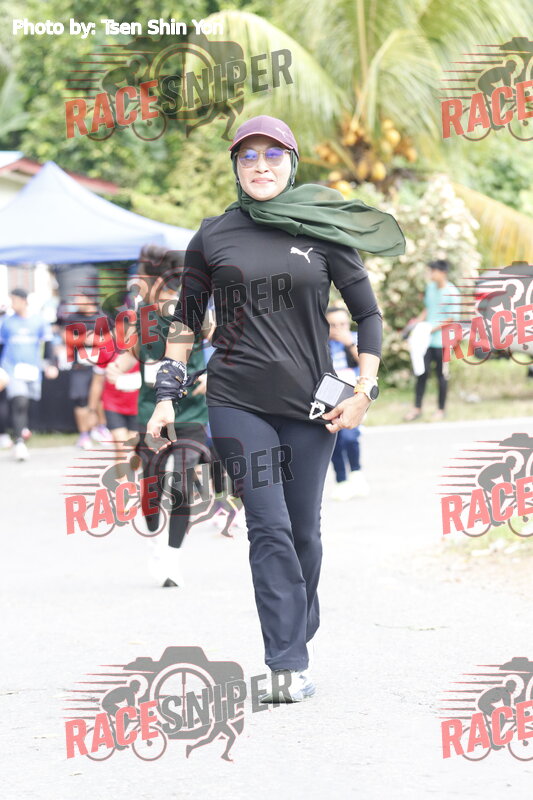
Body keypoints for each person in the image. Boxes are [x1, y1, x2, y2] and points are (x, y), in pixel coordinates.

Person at [147, 115, 404, 702]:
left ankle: (296, 630)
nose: (260, 166)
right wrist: (166, 395)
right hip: (236, 400)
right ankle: (285, 663)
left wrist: (365, 390)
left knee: (304, 531)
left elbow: (367, 314)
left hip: (314, 406)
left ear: (291, 163)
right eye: (248, 156)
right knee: (268, 525)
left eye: (272, 155)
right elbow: (185, 321)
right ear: (236, 167)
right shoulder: (213, 235)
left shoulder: (323, 229)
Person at [107, 245, 210, 587]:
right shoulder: (142, 315)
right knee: (151, 485)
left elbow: (228, 345)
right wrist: (117, 365)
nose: (135, 283)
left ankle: (172, 556)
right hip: (150, 410)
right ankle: (155, 537)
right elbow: (134, 353)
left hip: (190, 411)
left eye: (140, 278)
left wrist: (212, 373)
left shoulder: (195, 309)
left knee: (183, 482)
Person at [0, 288, 58, 461]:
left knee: (27, 403)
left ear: (24, 300)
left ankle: (22, 430)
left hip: (32, 370)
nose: (12, 304)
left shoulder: (39, 321)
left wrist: (50, 364)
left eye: (14, 300)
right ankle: (19, 442)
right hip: (11, 369)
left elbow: (48, 344)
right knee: (19, 399)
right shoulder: (7, 322)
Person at [405, 259, 461, 422]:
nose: (430, 274)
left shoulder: (452, 292)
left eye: (433, 271)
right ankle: (417, 408)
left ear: (442, 272)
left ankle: (441, 410)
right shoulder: (430, 288)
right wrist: (416, 324)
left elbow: (451, 318)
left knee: (441, 376)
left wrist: (431, 328)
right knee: (421, 373)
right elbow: (428, 309)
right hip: (426, 341)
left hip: (442, 341)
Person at [326, 305, 369, 500]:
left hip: (353, 394)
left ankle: (356, 473)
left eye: (342, 324)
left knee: (351, 436)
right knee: (335, 439)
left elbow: (367, 365)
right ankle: (341, 480)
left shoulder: (356, 340)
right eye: (333, 325)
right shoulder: (321, 343)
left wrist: (349, 344)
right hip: (330, 397)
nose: (338, 329)